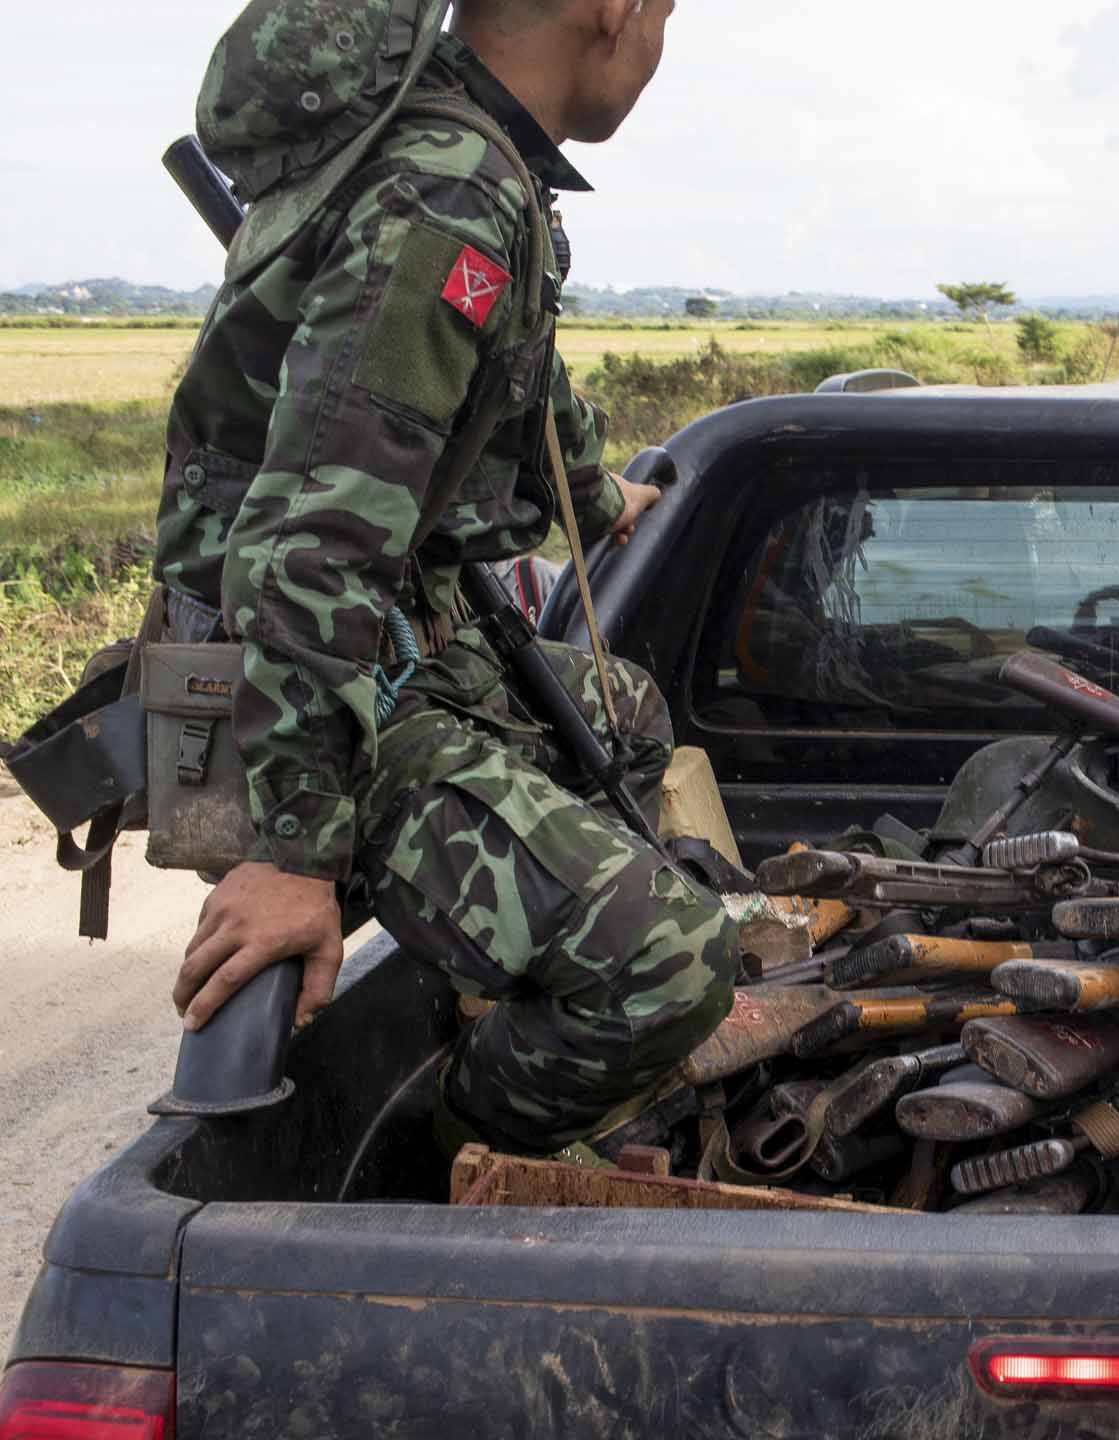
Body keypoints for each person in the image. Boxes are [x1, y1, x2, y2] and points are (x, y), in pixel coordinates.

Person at [161, 0, 740, 1158]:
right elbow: (312, 540)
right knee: (668, 963)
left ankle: (510, 989)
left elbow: (508, 378)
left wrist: (597, 485)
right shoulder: (448, 189)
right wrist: (292, 852)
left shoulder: (467, 158)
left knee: (617, 710)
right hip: (303, 691)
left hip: (390, 641)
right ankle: (461, 1154)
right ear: (612, 10)